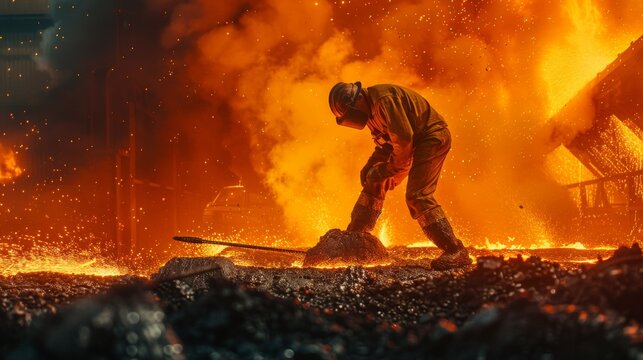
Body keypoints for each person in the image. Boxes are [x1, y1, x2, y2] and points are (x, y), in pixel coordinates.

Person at [328, 81, 471, 270]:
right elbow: (386, 143)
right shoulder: (370, 111)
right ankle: (356, 235)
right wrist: (372, 166)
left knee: (417, 196)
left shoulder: (383, 101)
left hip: (431, 137)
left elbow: (403, 141)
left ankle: (455, 250)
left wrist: (389, 170)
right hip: (414, 141)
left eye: (350, 111)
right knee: (373, 178)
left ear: (359, 98)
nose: (352, 117)